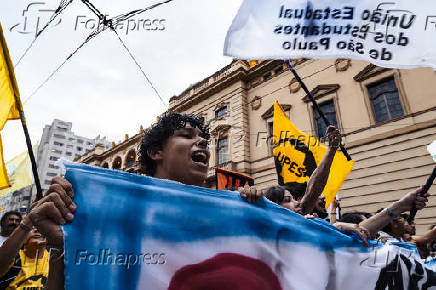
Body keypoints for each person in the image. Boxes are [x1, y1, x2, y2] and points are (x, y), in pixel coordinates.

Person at [26, 113, 211, 289]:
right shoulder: (109, 220)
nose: (203, 142)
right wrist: (64, 244)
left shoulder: (225, 220)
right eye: (186, 135)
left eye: (204, 138)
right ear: (156, 152)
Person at [0, 225, 49, 289]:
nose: (36, 230)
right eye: (31, 229)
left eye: (41, 229)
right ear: (22, 239)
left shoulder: (55, 259)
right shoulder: (13, 257)